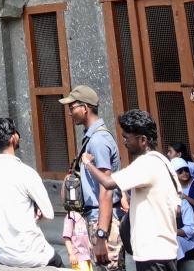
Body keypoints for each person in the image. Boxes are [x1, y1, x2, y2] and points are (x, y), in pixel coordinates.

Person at [84, 109, 181, 271]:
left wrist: (88, 163)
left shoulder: (145, 163)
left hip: (152, 252)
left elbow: (108, 183)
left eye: (126, 137)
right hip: (167, 250)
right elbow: (177, 208)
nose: (124, 142)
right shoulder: (164, 162)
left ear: (143, 140)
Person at [0, 116, 58, 266]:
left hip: (2, 252)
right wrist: (36, 207)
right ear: (13, 138)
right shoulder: (26, 173)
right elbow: (49, 213)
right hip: (29, 252)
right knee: (58, 262)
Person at [63, 85, 123, 271]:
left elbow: (106, 189)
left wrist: (101, 235)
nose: (70, 113)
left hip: (103, 220)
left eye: (72, 107)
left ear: (85, 108)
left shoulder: (98, 140)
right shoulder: (92, 138)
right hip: (97, 217)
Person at [171, 158, 194, 263]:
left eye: (186, 170)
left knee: (172, 242)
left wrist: (171, 232)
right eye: (180, 171)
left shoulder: (182, 202)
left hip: (188, 243)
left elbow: (190, 229)